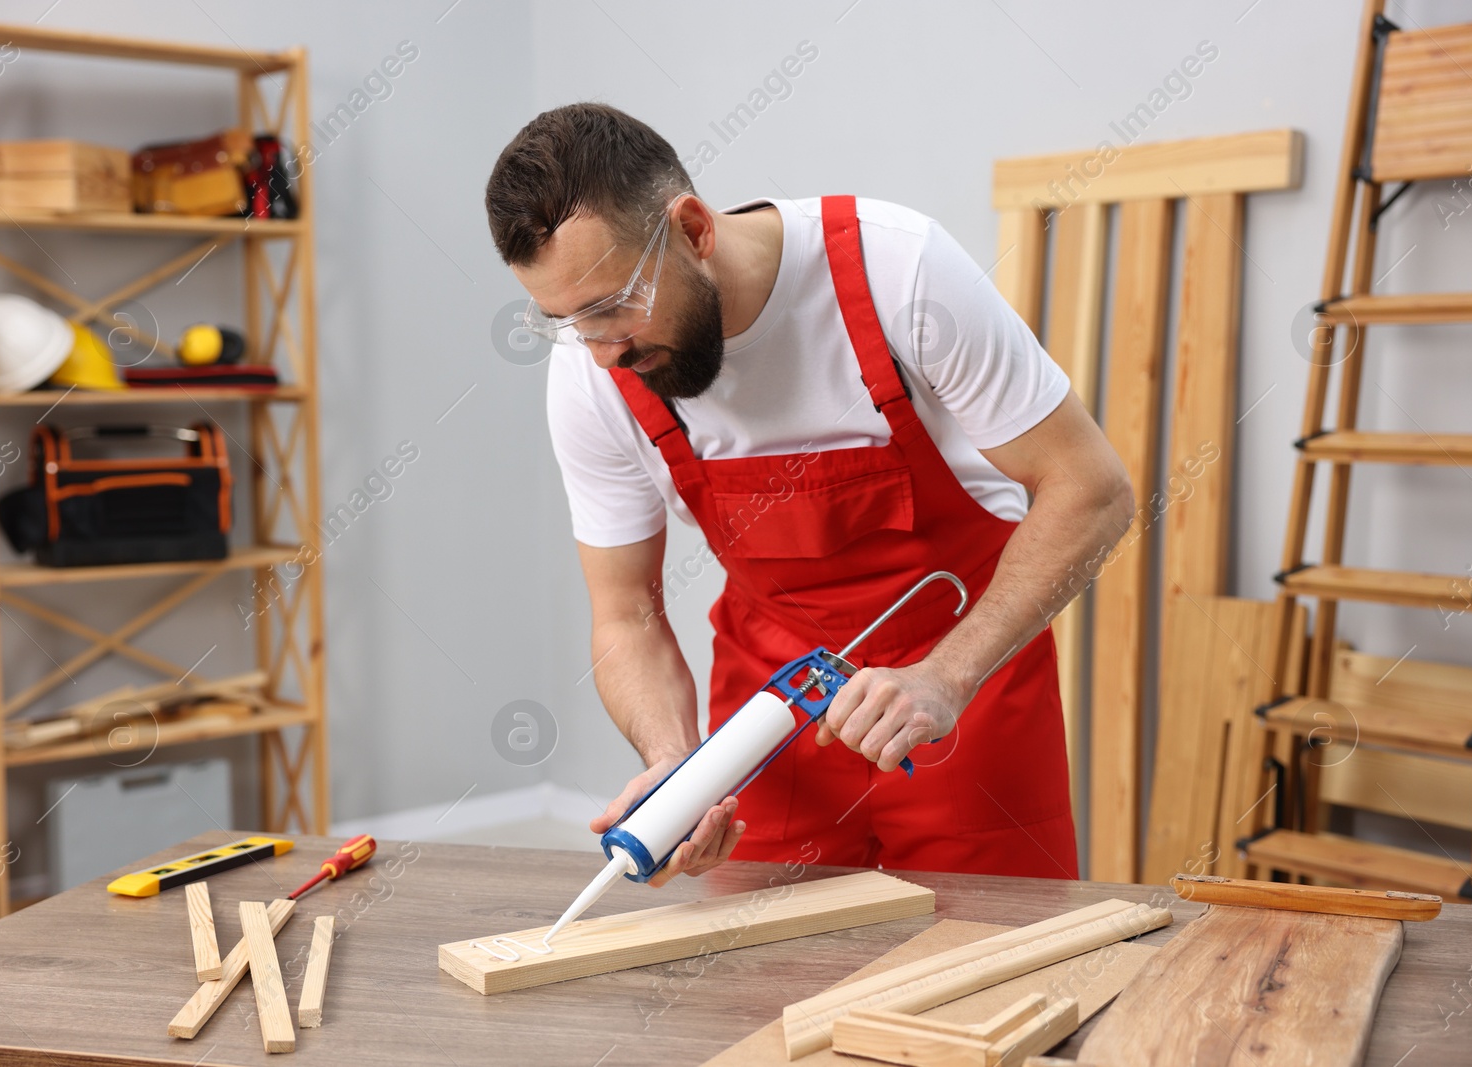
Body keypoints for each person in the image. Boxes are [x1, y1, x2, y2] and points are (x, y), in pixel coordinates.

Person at [484, 102, 1132, 886]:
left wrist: (946, 676)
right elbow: (627, 612)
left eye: (610, 304)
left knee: (996, 973)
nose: (601, 351)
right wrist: (677, 769)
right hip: (772, 722)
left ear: (693, 230)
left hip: (962, 705)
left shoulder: (899, 272)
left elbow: (1092, 490)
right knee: (760, 990)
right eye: (567, 323)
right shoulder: (598, 378)